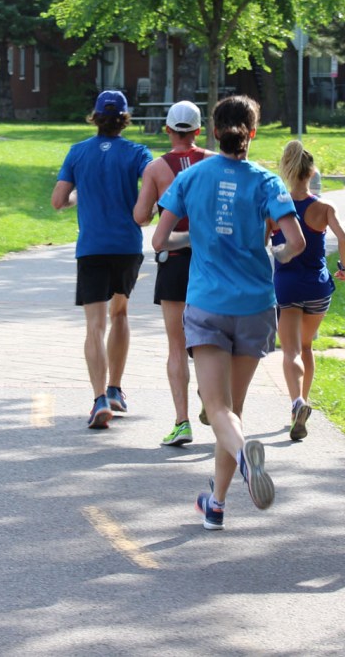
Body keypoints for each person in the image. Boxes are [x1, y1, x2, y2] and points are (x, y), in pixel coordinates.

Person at [153, 95, 306, 531]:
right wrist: (274, 249)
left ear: (215, 131)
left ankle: (243, 459)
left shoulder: (191, 177)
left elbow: (160, 241)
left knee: (217, 409)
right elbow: (294, 244)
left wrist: (195, 239)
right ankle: (215, 505)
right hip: (255, 306)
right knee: (232, 411)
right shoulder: (267, 182)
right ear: (253, 133)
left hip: (207, 306)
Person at [51, 90, 154, 430]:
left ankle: (97, 399)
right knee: (120, 313)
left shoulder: (78, 152)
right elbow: (153, 191)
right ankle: (115, 390)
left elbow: (57, 200)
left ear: (94, 116)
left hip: (91, 247)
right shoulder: (138, 152)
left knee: (94, 325)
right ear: (125, 118)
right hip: (126, 245)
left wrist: (80, 195)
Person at [133, 100, 212, 447]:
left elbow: (140, 217)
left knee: (177, 346)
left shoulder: (156, 169)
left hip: (174, 260)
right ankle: (212, 400)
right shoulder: (213, 162)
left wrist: (154, 204)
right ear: (199, 130)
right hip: (212, 263)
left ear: (167, 129)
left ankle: (182, 422)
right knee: (211, 341)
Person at [270, 140, 345, 441]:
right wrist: (343, 266)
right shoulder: (324, 208)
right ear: (311, 172)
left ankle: (296, 405)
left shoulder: (276, 207)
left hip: (287, 286)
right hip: (318, 287)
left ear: (288, 172)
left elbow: (260, 241)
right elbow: (344, 238)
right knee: (307, 347)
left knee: (289, 350)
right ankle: (305, 400)